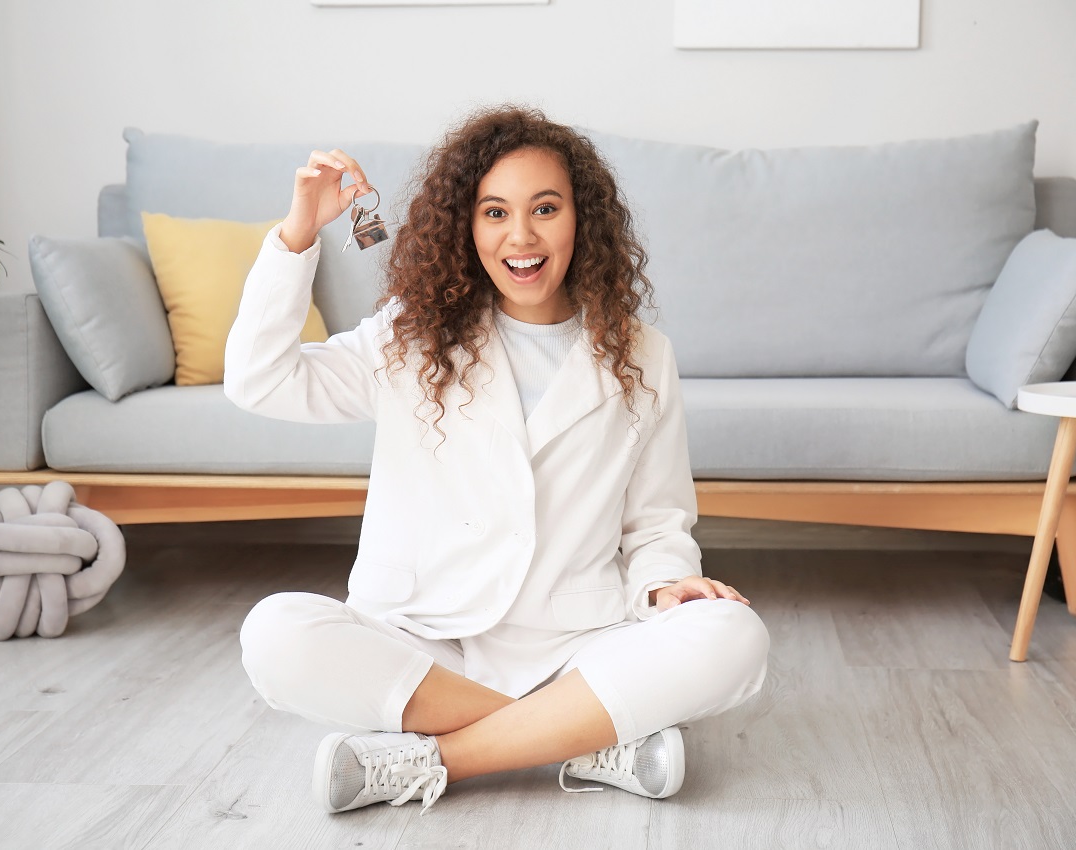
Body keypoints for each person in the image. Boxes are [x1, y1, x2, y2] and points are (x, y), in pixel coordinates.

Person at [226, 106, 770, 815]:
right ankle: (578, 739)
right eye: (495, 212)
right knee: (274, 635)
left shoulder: (643, 355)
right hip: (421, 636)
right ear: (466, 227)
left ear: (583, 219)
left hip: (574, 645)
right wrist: (299, 234)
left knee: (734, 636)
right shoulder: (409, 336)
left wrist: (669, 584)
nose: (521, 236)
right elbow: (259, 379)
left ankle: (436, 757)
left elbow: (657, 519)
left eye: (546, 208)